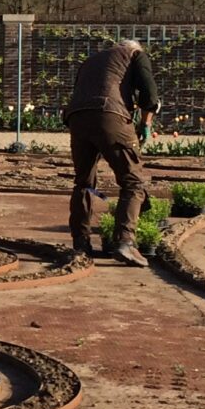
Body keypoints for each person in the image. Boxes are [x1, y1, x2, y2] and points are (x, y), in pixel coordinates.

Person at [64, 38, 161, 266]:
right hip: (110, 115)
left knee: (84, 183)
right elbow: (150, 97)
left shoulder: (90, 60)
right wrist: (145, 126)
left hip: (77, 118)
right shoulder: (135, 55)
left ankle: (81, 243)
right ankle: (125, 242)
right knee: (133, 182)